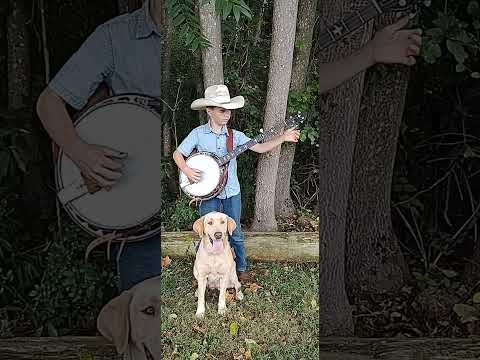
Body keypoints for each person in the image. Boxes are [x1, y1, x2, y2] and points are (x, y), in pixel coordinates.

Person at [36, 0, 162, 292]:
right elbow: (48, 103)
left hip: (199, 204)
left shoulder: (206, 31)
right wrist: (80, 152)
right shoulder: (114, 37)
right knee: (143, 325)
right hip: (140, 221)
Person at [172, 84, 301, 283]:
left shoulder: (236, 136)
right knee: (207, 232)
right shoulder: (198, 134)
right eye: (222, 110)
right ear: (209, 111)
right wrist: (187, 170)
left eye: (229, 110)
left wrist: (283, 137)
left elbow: (259, 147)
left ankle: (240, 268)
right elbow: (177, 154)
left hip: (232, 192)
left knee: (236, 232)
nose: (227, 114)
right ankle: (205, 269)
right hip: (208, 194)